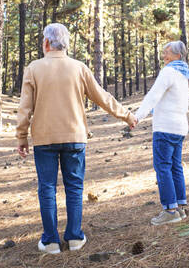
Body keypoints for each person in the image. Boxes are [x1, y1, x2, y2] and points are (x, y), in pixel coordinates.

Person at [16, 23, 137, 254]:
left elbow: (25, 108)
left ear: (46, 43)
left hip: (44, 139)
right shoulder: (79, 68)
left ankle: (51, 241)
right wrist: (127, 116)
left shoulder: (34, 68)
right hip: (75, 138)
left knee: (47, 189)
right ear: (66, 44)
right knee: (74, 188)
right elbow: (102, 97)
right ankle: (74, 237)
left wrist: (21, 137)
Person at [134, 40, 189, 226]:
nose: (164, 56)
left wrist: (137, 116)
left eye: (167, 52)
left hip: (165, 127)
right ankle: (180, 207)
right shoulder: (183, 74)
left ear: (177, 56)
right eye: (164, 52)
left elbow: (153, 96)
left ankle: (169, 210)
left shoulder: (168, 72)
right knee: (175, 166)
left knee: (163, 167)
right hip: (179, 127)